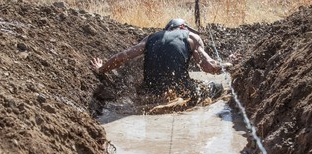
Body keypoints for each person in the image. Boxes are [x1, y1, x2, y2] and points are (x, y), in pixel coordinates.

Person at [90, 18, 234, 105]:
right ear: (183, 27)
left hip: (149, 92)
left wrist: (101, 69)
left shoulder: (151, 38)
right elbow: (210, 68)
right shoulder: (190, 37)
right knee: (216, 87)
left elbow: (122, 56)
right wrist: (229, 64)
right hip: (181, 92)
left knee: (144, 89)